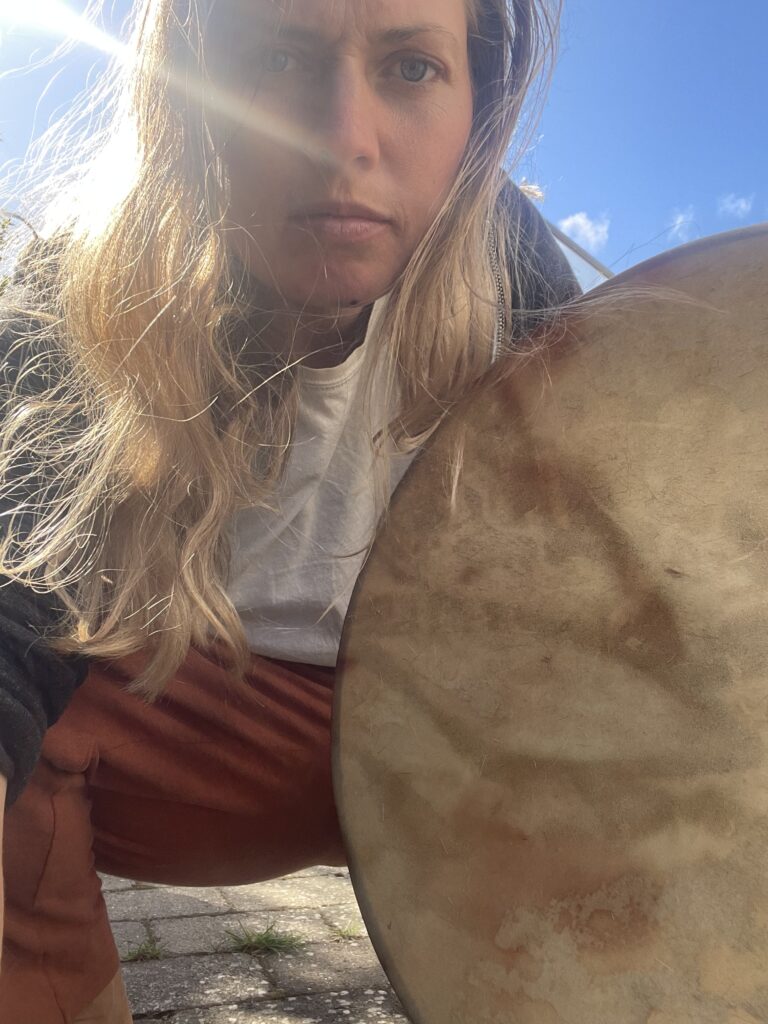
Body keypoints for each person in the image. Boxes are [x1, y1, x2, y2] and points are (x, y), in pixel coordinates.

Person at [0, 0, 578, 1019]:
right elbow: (14, 597)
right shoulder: (82, 286)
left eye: (411, 67)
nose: (342, 139)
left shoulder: (514, 269)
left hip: (465, 735)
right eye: (277, 56)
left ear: (479, 104)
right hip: (194, 729)